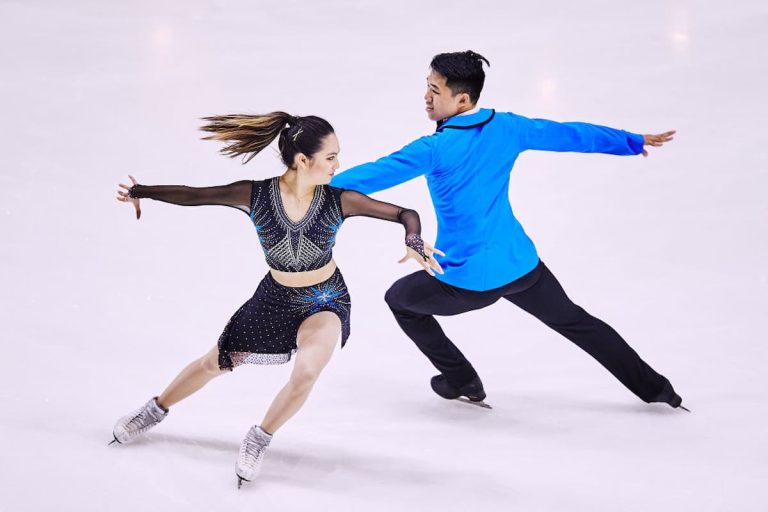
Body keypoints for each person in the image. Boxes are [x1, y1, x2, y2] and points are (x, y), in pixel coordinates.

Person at [330, 50, 687, 411]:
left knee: (399, 300)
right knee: (577, 321)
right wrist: (632, 141)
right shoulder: (509, 127)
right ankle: (658, 389)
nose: (426, 96)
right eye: (426, 86)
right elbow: (571, 135)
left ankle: (461, 378)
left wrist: (309, 187)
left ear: (462, 99)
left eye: (435, 90)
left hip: (466, 282)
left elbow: (374, 174)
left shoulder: (434, 148)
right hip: (521, 268)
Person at [111, 112, 443, 488]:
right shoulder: (255, 195)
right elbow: (196, 195)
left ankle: (259, 437)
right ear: (304, 160)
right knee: (213, 363)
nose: (338, 165)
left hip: (325, 298)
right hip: (273, 298)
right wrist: (142, 192)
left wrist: (413, 240)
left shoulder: (340, 200)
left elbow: (405, 213)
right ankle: (155, 410)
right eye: (331, 157)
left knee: (305, 374)